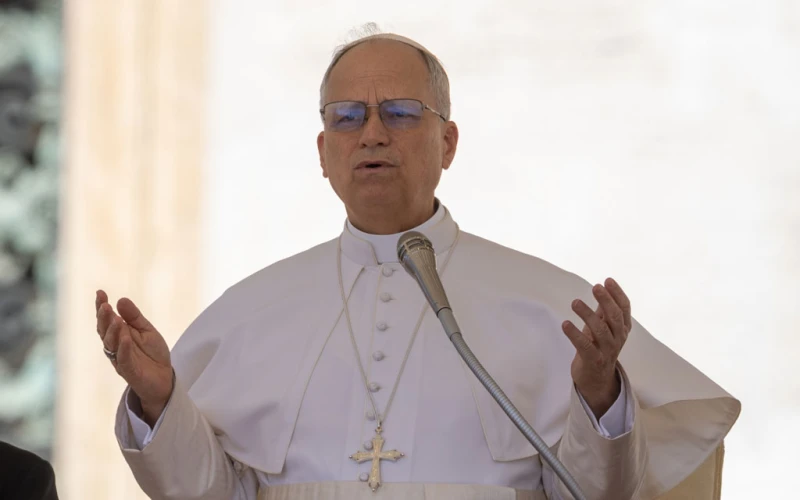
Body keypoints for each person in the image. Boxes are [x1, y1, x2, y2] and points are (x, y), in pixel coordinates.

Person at [96, 30, 740, 499]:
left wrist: (598, 393)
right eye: (347, 117)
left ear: (448, 142)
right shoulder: (250, 312)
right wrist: (160, 402)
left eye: (401, 113)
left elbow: (592, 494)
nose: (372, 133)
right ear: (323, 152)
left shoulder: (545, 300)